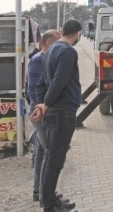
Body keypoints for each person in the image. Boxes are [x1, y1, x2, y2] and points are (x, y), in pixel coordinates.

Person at [32, 20, 83, 212]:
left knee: (50, 157)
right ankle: (50, 205)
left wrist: (41, 104)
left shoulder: (50, 50)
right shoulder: (68, 51)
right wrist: (45, 104)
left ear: (63, 31)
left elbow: (43, 82)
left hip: (53, 110)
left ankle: (49, 198)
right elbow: (59, 80)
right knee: (56, 159)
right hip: (63, 111)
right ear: (78, 33)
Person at [26, 30, 64, 205]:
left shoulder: (44, 59)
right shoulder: (39, 60)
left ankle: (39, 191)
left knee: (41, 153)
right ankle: (46, 196)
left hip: (42, 110)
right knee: (50, 153)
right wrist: (42, 108)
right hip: (39, 112)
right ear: (48, 43)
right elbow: (34, 90)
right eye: (57, 42)